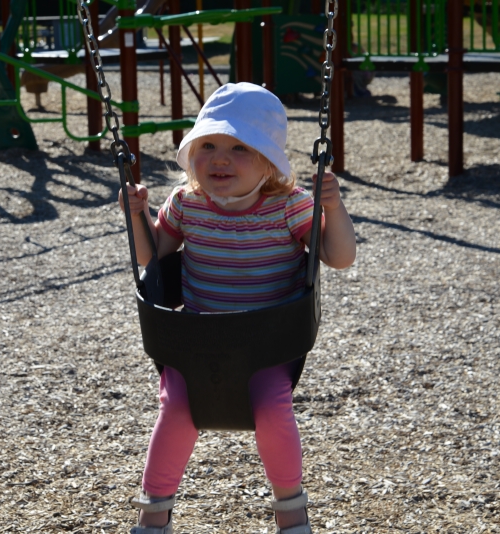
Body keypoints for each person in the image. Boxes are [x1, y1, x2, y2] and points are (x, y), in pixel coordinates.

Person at [118, 82, 356, 534]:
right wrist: (137, 215)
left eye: (239, 148)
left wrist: (333, 207)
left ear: (269, 162)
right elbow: (153, 257)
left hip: (268, 344)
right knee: (176, 408)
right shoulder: (186, 204)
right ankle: (153, 513)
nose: (220, 159)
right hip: (196, 343)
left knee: (272, 407)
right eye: (207, 146)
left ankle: (291, 511)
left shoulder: (290, 207)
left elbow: (339, 257)